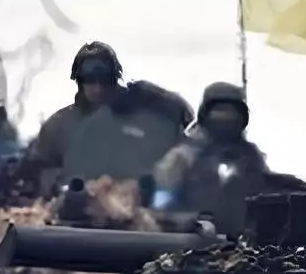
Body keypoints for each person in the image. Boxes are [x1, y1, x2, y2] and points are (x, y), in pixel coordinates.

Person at [27, 42, 193, 188]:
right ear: (80, 81)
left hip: (131, 205)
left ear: (115, 79)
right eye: (90, 80)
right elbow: (38, 170)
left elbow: (185, 119)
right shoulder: (59, 125)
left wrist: (153, 96)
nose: (98, 88)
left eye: (105, 80)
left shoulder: (144, 115)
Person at [150, 82, 304, 234]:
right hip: (195, 241)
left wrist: (287, 187)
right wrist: (193, 222)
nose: (226, 117)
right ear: (205, 114)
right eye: (219, 110)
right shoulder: (182, 156)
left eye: (232, 111)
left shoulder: (251, 155)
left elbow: (262, 194)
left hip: (243, 241)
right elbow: (160, 209)